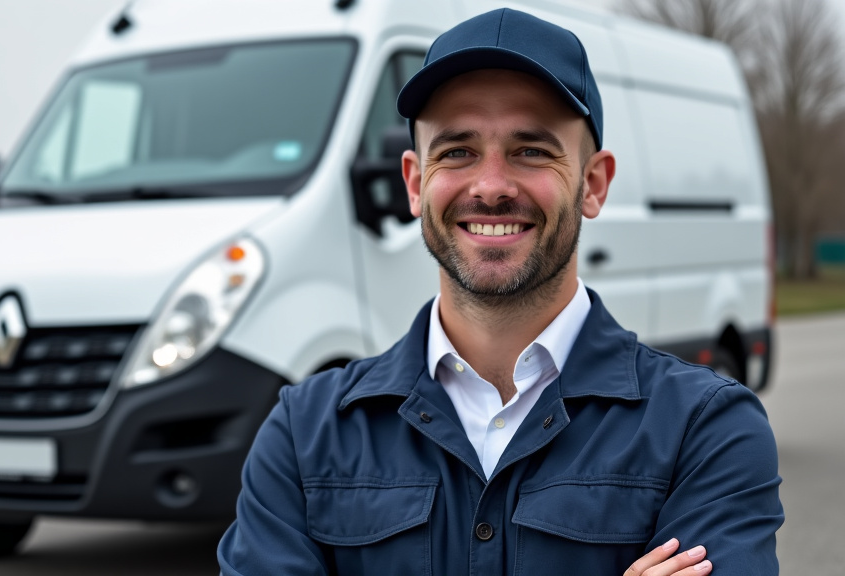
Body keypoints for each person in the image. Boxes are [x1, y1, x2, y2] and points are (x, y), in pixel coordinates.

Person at [217, 8, 783, 576]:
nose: (490, 187)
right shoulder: (304, 434)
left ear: (593, 183)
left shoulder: (704, 428)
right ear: (416, 183)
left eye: (531, 150)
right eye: (457, 151)